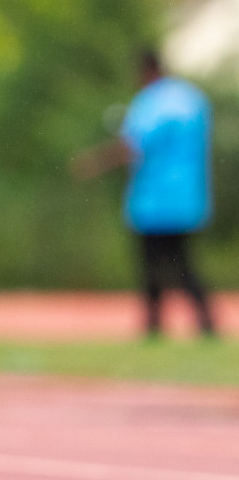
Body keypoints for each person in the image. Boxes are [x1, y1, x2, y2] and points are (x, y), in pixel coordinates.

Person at [75, 50, 216, 338]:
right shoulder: (192, 99)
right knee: (184, 264)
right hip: (188, 197)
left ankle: (153, 325)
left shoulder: (150, 103)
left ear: (144, 72)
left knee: (151, 265)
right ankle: (206, 324)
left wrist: (96, 162)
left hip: (154, 199)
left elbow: (134, 145)